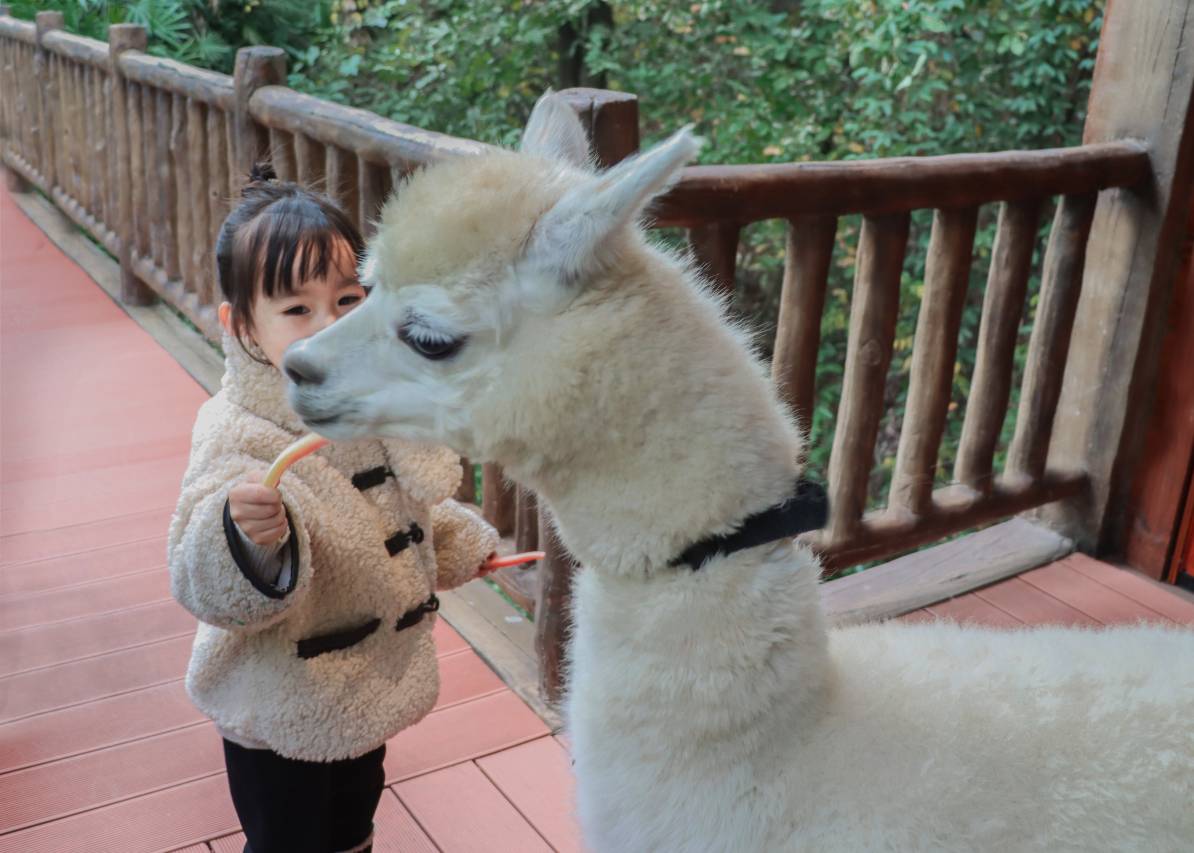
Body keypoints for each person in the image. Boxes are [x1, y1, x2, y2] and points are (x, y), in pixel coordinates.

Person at [167, 164, 498, 853]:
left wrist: (457, 544)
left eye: (348, 300)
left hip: (363, 689)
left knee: (352, 822)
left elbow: (390, 517)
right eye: (296, 309)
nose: (329, 326)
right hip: (278, 703)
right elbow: (197, 571)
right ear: (244, 327)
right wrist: (243, 540)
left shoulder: (370, 403)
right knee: (288, 838)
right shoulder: (238, 430)